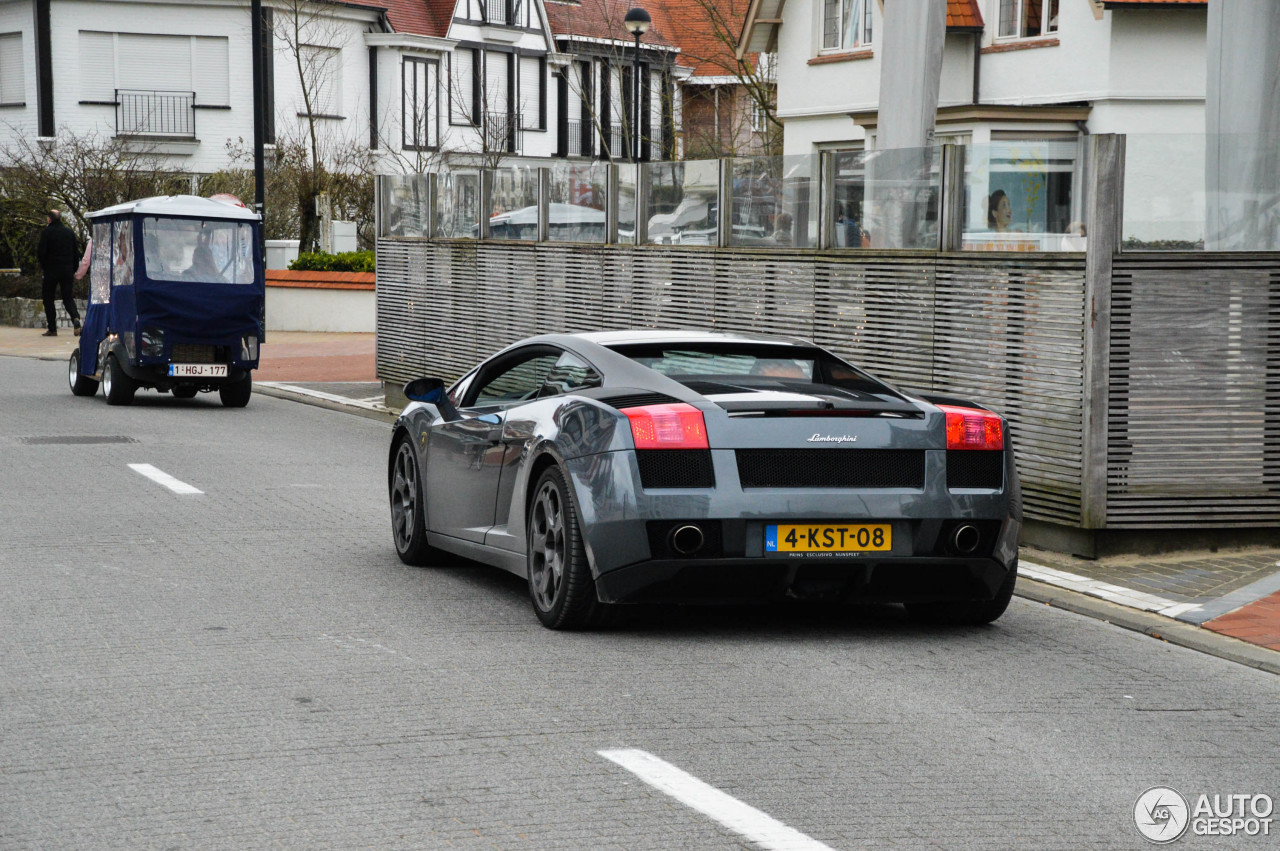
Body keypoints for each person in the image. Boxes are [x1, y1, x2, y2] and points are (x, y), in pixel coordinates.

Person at [36, 209, 82, 337]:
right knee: (68, 298)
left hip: (51, 271)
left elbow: (41, 253)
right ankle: (75, 318)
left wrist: (45, 267)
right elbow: (76, 253)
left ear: (49, 219)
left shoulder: (47, 232)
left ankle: (52, 328)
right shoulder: (69, 232)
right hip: (67, 270)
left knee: (48, 299)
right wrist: (73, 269)